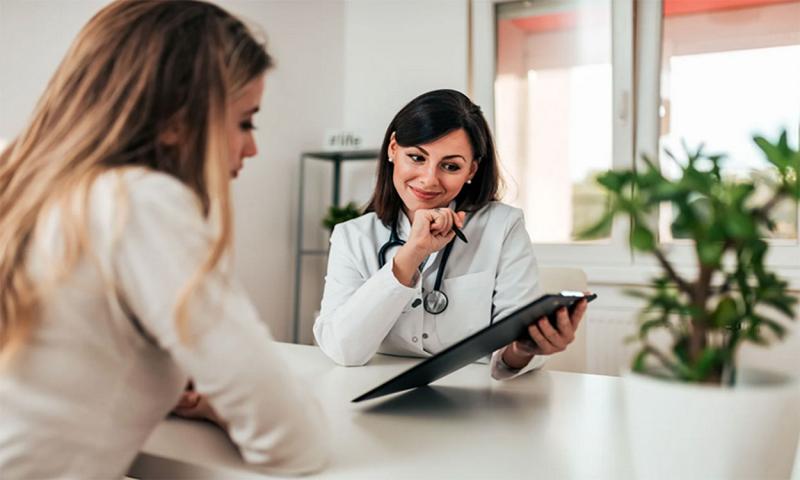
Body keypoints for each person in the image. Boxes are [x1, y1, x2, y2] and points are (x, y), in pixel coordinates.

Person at [0, 1, 327, 477]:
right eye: (245, 121)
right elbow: (293, 440)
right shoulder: (138, 203)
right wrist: (221, 401)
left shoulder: (22, 185)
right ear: (176, 119)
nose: (252, 147)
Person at [313, 89, 588, 379]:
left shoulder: (503, 226)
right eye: (417, 157)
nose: (429, 179)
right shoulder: (352, 236)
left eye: (450, 166)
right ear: (393, 148)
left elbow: (509, 344)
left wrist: (523, 349)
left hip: (477, 399)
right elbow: (343, 351)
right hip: (372, 389)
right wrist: (411, 254)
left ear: (472, 169)